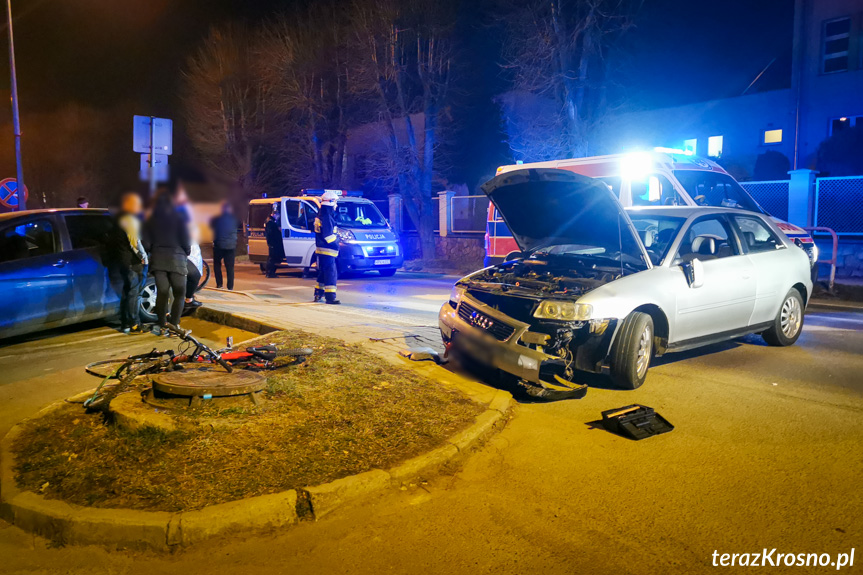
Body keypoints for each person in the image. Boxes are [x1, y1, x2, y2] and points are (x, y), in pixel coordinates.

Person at [142, 188, 190, 335]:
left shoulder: (150, 221)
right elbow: (185, 241)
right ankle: (174, 324)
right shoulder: (179, 218)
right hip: (177, 259)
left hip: (158, 260)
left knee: (162, 293)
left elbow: (146, 244)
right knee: (179, 293)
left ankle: (162, 324)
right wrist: (186, 252)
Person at [115, 192, 148, 333]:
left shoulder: (118, 219)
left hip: (122, 261)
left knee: (127, 292)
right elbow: (135, 243)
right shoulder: (130, 220)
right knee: (134, 293)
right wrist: (143, 257)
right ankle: (135, 323)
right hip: (132, 262)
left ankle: (125, 323)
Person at [174, 183, 203, 311]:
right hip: (181, 251)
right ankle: (187, 299)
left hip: (187, 248)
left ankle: (187, 298)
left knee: (192, 274)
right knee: (193, 275)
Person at [313, 191, 340, 304]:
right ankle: (330, 297)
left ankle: (318, 294)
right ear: (331, 202)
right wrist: (337, 243)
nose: (336, 205)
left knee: (323, 272)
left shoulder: (320, 214)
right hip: (328, 250)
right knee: (331, 273)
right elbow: (328, 236)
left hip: (321, 249)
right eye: (335, 202)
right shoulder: (327, 216)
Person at [210, 201, 238, 290]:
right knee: (230, 267)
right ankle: (230, 287)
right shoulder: (234, 219)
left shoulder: (216, 219)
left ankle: (219, 284)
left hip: (219, 245)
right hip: (231, 246)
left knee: (217, 265)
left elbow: (212, 227)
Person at [265, 207, 284, 278]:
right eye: (277, 214)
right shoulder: (270, 223)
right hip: (273, 244)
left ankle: (270, 272)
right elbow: (270, 234)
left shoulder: (272, 222)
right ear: (273, 214)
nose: (278, 216)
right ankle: (270, 272)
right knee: (272, 259)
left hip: (273, 243)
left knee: (273, 258)